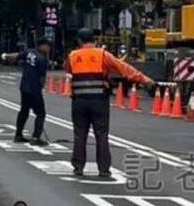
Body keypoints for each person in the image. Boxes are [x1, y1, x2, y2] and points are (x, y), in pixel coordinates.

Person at [66, 28, 154, 179]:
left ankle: (78, 167)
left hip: (79, 102)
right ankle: (104, 170)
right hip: (99, 101)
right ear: (93, 39)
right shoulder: (102, 54)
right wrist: (145, 80)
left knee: (80, 135)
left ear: (79, 41)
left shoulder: (72, 56)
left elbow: (69, 73)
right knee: (101, 135)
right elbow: (123, 68)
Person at [2, 39, 51, 146]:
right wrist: (40, 88)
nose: (49, 49)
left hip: (24, 87)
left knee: (24, 111)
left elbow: (17, 55)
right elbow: (42, 78)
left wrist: (6, 55)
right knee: (41, 113)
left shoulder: (29, 52)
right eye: (48, 46)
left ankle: (18, 135)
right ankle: (35, 137)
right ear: (42, 46)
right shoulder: (42, 59)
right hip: (34, 89)